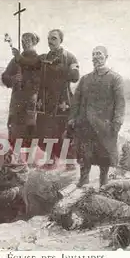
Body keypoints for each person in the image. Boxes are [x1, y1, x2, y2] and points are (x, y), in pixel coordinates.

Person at [68, 46, 125, 187]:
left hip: (105, 125)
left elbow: (120, 103)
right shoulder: (85, 79)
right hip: (85, 125)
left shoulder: (115, 78)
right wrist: (72, 119)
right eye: (93, 55)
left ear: (106, 56)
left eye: (99, 54)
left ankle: (103, 183)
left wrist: (117, 123)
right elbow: (76, 101)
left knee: (104, 156)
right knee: (84, 155)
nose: (96, 57)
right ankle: (83, 181)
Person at [36, 29, 80, 163]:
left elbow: (75, 76)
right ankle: (51, 161)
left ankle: (70, 165)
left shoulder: (69, 57)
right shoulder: (43, 58)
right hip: (45, 102)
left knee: (64, 134)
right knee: (44, 134)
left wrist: (59, 68)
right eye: (49, 38)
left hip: (62, 102)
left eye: (54, 38)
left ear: (61, 40)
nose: (50, 41)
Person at [2, 32, 41, 147]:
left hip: (31, 100)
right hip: (17, 100)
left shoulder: (38, 60)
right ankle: (14, 159)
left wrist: (25, 81)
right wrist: (13, 79)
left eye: (28, 40)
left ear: (34, 42)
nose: (24, 43)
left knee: (30, 131)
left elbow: (42, 80)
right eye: (23, 40)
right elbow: (5, 76)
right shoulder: (15, 61)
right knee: (14, 130)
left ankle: (29, 162)